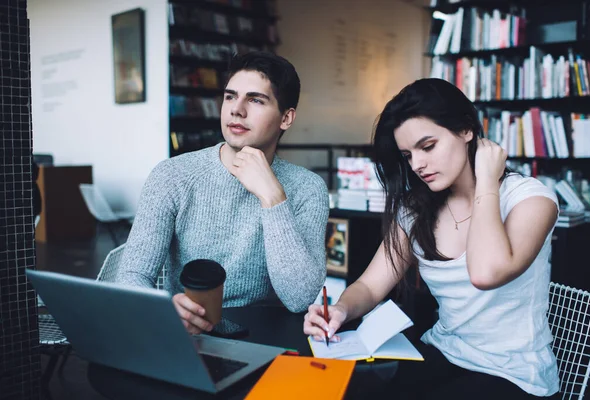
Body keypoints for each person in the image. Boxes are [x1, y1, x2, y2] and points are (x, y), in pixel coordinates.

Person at [304, 78, 560, 399]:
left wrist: (486, 183)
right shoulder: (417, 209)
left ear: (466, 130)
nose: (418, 165)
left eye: (428, 147)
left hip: (511, 373)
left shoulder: (530, 199)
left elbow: (485, 273)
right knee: (336, 390)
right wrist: (340, 310)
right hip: (442, 353)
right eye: (408, 155)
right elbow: (370, 286)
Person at [117, 51, 329, 334]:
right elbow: (131, 276)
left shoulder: (307, 188)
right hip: (189, 334)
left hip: (267, 336)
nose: (236, 110)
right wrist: (163, 309)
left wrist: (272, 197)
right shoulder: (172, 175)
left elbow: (299, 298)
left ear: (286, 118)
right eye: (230, 96)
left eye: (255, 100)